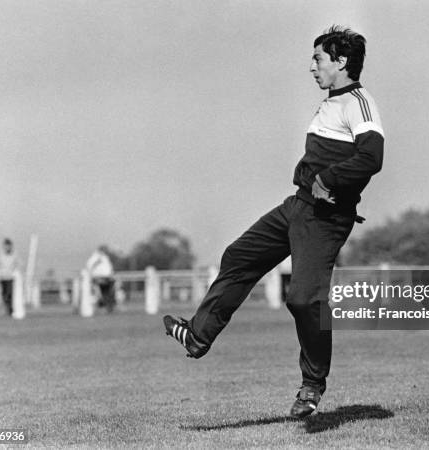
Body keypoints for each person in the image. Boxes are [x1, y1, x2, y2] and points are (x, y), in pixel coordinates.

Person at [163, 25, 384, 418]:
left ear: (341, 61)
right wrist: (311, 180)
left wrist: (326, 181)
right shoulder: (330, 101)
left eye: (318, 58)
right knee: (238, 255)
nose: (311, 66)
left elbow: (371, 158)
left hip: (325, 219)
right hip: (297, 207)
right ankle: (198, 335)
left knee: (303, 300)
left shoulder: (359, 103)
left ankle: (313, 384)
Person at [0, 238, 20, 316]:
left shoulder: (14, 255)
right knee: (4, 294)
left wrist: (14, 272)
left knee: (9, 293)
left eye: (9, 246)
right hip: (2, 277)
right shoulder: (0, 255)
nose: (7, 248)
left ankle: (10, 309)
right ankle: (7, 309)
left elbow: (17, 265)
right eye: (6, 246)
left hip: (10, 278)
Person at [85, 246, 116, 313]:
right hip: (98, 278)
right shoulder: (96, 257)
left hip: (106, 278)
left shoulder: (105, 257)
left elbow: (109, 268)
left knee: (107, 293)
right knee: (101, 294)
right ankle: (102, 306)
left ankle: (108, 308)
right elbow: (89, 266)